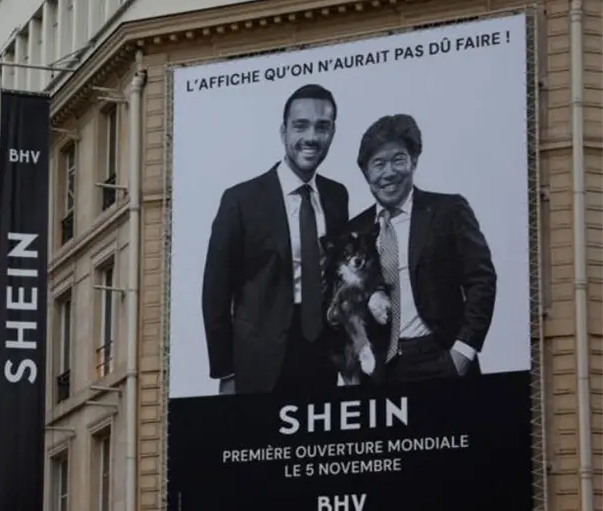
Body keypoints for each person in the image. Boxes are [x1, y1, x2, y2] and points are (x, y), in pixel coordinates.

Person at [201, 83, 350, 395]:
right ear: (284, 131)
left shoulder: (337, 196)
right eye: (301, 126)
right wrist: (225, 370)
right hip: (259, 362)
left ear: (333, 133)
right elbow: (216, 292)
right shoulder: (241, 200)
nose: (311, 137)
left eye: (322, 127)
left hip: (323, 355)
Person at [349, 113, 496, 383]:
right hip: (381, 370)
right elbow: (344, 297)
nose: (388, 172)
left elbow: (481, 280)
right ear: (366, 173)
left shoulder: (448, 211)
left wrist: (463, 352)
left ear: (413, 161)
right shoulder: (354, 230)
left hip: (440, 357)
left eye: (398, 159)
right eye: (378, 164)